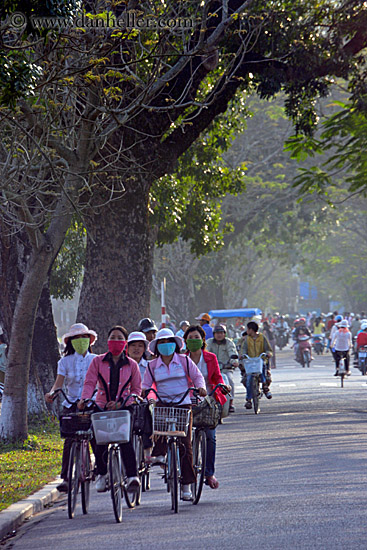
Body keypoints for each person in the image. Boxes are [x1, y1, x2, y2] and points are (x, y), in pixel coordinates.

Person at [141, 328, 206, 501]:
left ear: (175, 344)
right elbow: (146, 385)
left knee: (185, 443)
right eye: (161, 342)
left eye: (168, 341)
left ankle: (186, 485)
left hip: (183, 403)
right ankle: (160, 455)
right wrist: (147, 396)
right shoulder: (152, 365)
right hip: (163, 402)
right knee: (161, 430)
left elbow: (197, 377)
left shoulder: (184, 361)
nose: (165, 345)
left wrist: (201, 388)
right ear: (157, 347)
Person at [78, 325, 141, 493]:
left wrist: (121, 403)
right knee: (100, 440)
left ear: (125, 343)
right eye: (113, 337)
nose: (117, 341)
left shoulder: (132, 365)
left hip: (124, 408)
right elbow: (90, 382)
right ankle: (102, 473)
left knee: (125, 439)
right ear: (107, 341)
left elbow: (136, 390)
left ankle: (132, 476)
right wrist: (84, 398)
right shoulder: (97, 361)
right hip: (101, 406)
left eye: (120, 338)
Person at [44, 323, 98, 492]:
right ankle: (66, 478)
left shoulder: (96, 359)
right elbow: (58, 384)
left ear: (89, 340)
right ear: (70, 342)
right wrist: (51, 394)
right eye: (76, 338)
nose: (80, 341)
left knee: (96, 435)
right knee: (69, 439)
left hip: (92, 402)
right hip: (71, 402)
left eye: (84, 337)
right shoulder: (64, 362)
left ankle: (101, 468)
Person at [183, 325, 229, 489]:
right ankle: (183, 472)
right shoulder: (181, 359)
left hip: (208, 402)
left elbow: (217, 377)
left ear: (202, 340)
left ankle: (209, 473)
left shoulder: (210, 357)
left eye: (197, 337)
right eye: (190, 338)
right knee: (182, 439)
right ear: (185, 341)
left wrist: (223, 386)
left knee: (210, 436)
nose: (193, 340)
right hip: (185, 401)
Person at [126, 331, 153, 459]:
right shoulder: (122, 365)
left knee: (147, 410)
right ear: (127, 348)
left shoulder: (149, 366)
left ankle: (148, 448)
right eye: (133, 345)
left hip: (144, 401)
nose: (136, 349)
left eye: (140, 346)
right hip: (126, 401)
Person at [239, 321, 273, 409]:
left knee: (263, 371)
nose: (247, 331)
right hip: (250, 362)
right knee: (249, 379)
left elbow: (268, 349)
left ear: (251, 330)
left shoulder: (262, 338)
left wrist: (268, 354)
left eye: (248, 329)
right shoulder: (246, 339)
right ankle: (249, 400)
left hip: (260, 360)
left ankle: (265, 387)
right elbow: (243, 349)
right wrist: (242, 355)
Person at [206, 324, 239, 412]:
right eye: (217, 333)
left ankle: (231, 402)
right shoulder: (209, 342)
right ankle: (205, 401)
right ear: (214, 334)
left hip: (226, 369)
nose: (219, 335)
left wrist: (234, 362)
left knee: (230, 380)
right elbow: (206, 352)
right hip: (212, 370)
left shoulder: (229, 342)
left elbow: (232, 352)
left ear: (225, 334)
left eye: (221, 333)